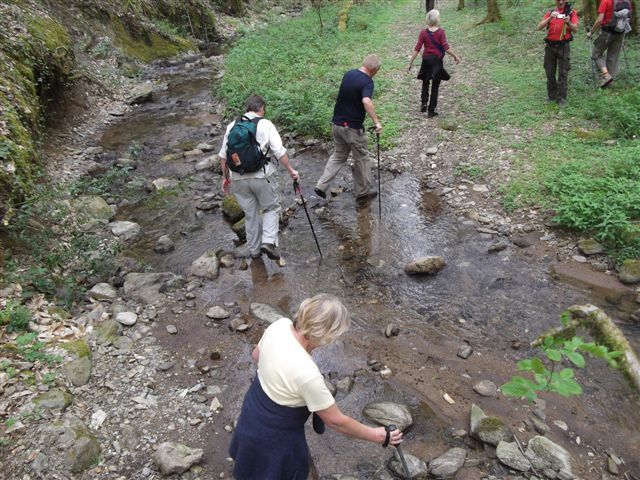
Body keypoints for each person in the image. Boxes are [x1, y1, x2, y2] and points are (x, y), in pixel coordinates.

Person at [228, 294, 403, 480]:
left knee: (251, 466)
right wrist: (378, 435)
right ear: (325, 335)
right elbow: (336, 421)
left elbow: (256, 356)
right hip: (276, 436)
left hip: (252, 413)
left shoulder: (279, 326)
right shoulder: (308, 374)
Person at [218, 95, 298, 262]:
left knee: (250, 214)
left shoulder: (232, 125)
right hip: (262, 175)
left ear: (247, 108)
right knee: (271, 208)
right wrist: (291, 170)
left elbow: (224, 156)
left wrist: (226, 178)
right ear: (261, 108)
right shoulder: (265, 124)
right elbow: (279, 151)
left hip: (238, 178)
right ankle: (268, 242)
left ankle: (254, 252)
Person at [314, 54, 382, 204]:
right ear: (374, 69)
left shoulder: (349, 74)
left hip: (337, 124)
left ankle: (321, 186)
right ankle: (363, 192)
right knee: (362, 158)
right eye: (378, 70)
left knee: (338, 156)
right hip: (352, 128)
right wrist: (376, 122)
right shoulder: (367, 81)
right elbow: (366, 100)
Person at [408, 9, 460, 117]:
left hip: (426, 60)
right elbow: (446, 48)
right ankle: (431, 110)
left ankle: (423, 103)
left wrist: (410, 62)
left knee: (425, 82)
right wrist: (455, 56)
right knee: (435, 85)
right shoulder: (441, 32)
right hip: (437, 61)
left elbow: (417, 48)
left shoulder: (423, 32)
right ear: (437, 19)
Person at [536, 0, 579, 106]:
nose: (560, 2)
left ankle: (561, 98)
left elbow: (575, 29)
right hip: (550, 46)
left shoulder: (571, 12)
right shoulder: (551, 12)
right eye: (558, 0)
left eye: (563, 0)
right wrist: (549, 18)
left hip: (563, 46)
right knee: (549, 71)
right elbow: (539, 27)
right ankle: (552, 96)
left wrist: (568, 22)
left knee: (563, 72)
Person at [587, 0, 633, 88]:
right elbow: (628, 16)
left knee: (596, 54)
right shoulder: (627, 1)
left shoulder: (606, 1)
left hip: (607, 32)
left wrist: (591, 32)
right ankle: (609, 84)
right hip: (620, 33)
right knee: (613, 57)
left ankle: (606, 75)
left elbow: (600, 19)